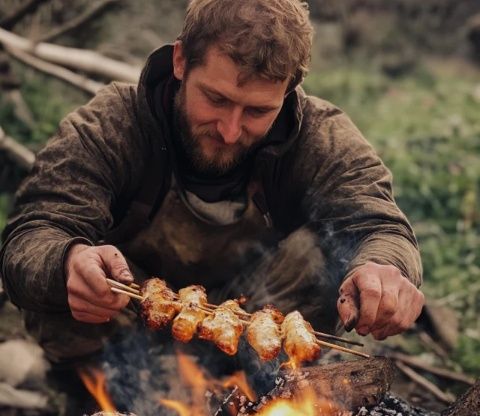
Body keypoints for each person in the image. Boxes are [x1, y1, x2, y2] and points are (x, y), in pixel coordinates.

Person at [0, 0, 424, 367]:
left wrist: (385, 269)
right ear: (181, 60)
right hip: (122, 344)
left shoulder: (321, 138)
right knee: (63, 286)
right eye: (216, 99)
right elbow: (32, 233)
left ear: (290, 90)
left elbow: (382, 228)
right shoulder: (111, 125)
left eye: (257, 111)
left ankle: (268, 415)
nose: (230, 130)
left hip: (251, 344)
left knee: (321, 255)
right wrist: (65, 261)